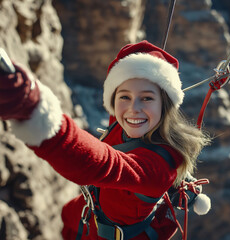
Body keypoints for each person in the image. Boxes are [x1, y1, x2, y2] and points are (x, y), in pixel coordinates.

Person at [0, 41, 211, 240]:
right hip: (86, 221)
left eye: (147, 98)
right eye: (124, 96)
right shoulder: (127, 124)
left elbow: (102, 164)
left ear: (165, 106)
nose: (133, 108)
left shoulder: (156, 169)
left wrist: (30, 105)